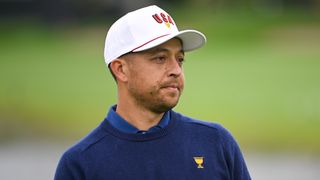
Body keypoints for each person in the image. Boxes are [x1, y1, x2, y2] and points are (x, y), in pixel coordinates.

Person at [54, 5, 251, 180]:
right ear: (121, 69)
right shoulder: (81, 164)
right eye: (160, 58)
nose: (176, 70)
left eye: (180, 59)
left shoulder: (215, 142)